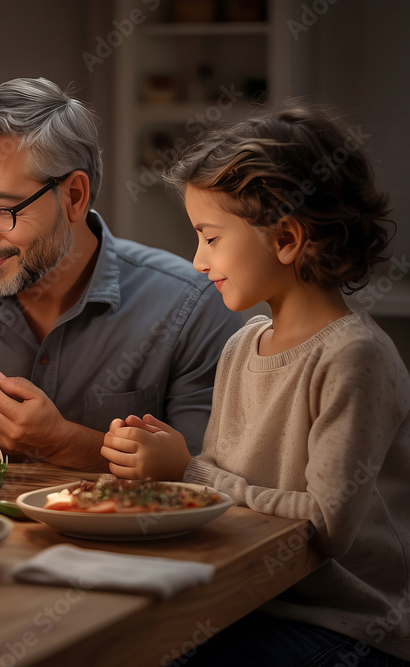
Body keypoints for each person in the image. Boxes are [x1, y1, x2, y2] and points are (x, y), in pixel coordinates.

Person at [102, 105, 409, 664]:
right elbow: (224, 498)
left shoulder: (353, 357)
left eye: (210, 238)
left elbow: (323, 527)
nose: (197, 261)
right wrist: (162, 470)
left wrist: (185, 471)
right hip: (248, 602)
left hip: (347, 628)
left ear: (287, 238)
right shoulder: (242, 345)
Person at [0, 77, 239, 468]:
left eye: (1, 209)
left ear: (74, 196)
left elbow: (206, 480)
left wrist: (61, 442)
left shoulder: (192, 305)